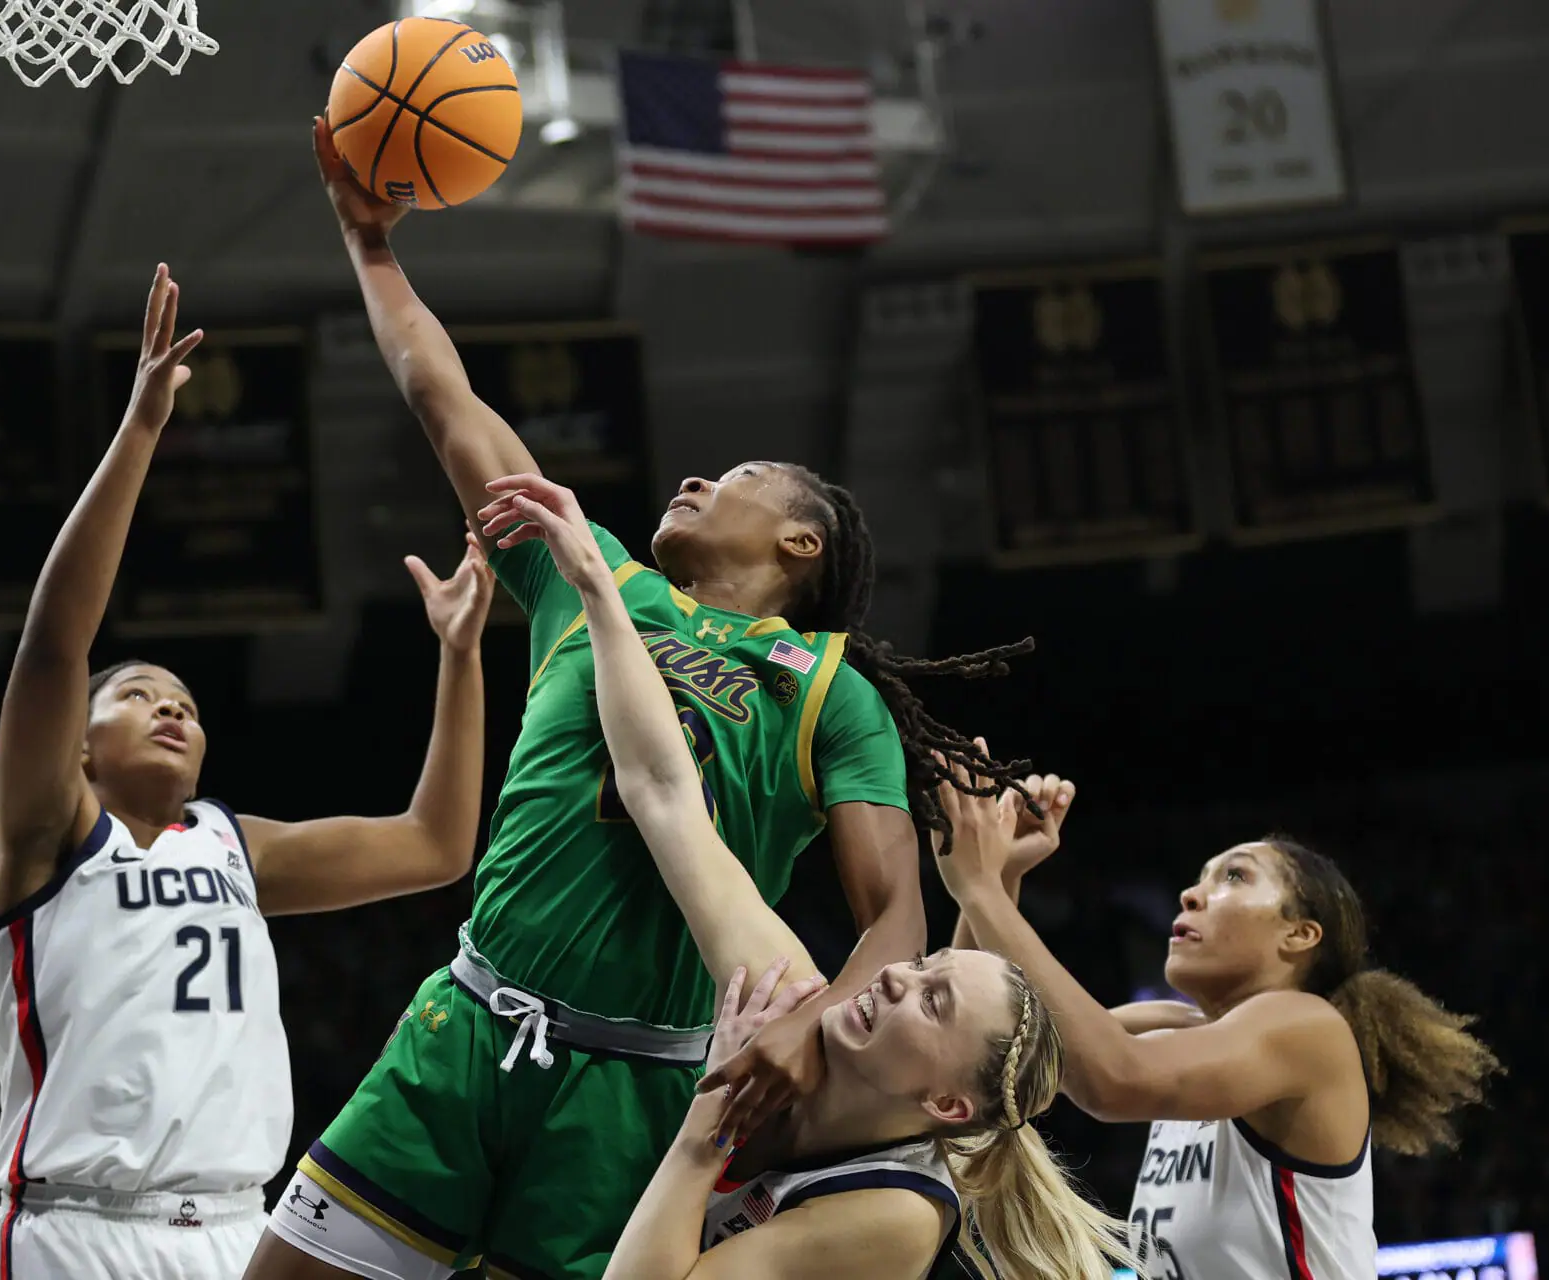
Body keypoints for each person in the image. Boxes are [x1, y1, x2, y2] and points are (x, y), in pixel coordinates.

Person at [246, 120, 1040, 1280]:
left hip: (639, 1085)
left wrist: (799, 1029)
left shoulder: (831, 690)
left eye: (736, 479)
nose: (694, 477)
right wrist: (370, 246)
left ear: (799, 538)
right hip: (467, 1024)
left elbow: (893, 918)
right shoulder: (590, 574)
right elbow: (445, 398)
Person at [478, 474, 1134, 1279]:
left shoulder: (890, 1212)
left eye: (930, 999)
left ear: (944, 1109)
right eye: (923, 969)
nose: (893, 978)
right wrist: (599, 594)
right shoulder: (789, 1012)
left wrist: (706, 1123)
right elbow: (666, 795)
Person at [0, 265, 494, 1280]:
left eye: (187, 700)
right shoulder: (48, 830)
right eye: (135, 692)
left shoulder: (235, 844)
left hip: (242, 1228)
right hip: (78, 1226)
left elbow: (437, 846)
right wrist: (139, 429)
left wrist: (461, 658)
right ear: (77, 744)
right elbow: (53, 640)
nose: (172, 705)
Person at [934, 763, 1502, 1280]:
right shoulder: (1175, 1029)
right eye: (1202, 877)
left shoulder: (1309, 1027)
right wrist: (1001, 876)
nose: (1192, 894)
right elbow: (976, 1058)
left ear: (1299, 935)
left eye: (1234, 877)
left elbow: (1114, 1079)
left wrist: (981, 888)